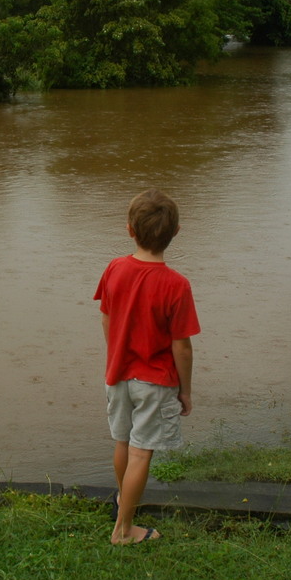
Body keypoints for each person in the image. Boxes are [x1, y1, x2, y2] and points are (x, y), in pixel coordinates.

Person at [94, 188, 200, 544]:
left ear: (129, 230)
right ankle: (124, 530)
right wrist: (185, 391)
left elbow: (107, 317)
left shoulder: (115, 268)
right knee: (142, 452)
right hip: (154, 381)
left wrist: (116, 354)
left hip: (118, 373)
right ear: (176, 232)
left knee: (123, 442)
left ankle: (124, 501)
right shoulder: (176, 285)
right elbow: (181, 347)